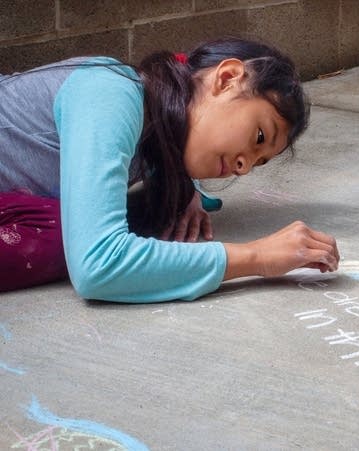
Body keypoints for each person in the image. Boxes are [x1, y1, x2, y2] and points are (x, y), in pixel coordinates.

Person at [0, 37, 339, 301]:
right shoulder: (111, 94)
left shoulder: (153, 126)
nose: (244, 166)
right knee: (67, 232)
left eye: (258, 161)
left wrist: (181, 185)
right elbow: (97, 263)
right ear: (228, 78)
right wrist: (257, 256)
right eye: (259, 136)